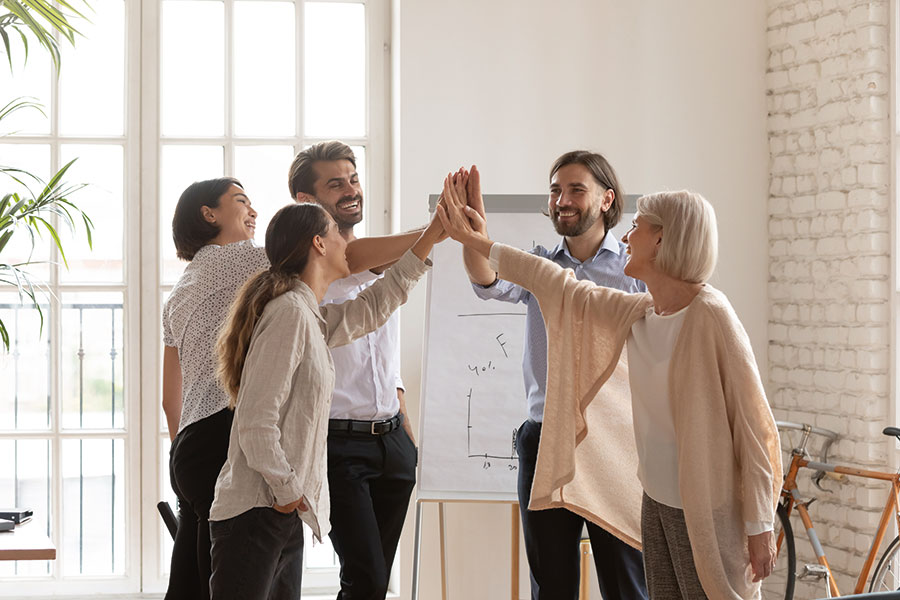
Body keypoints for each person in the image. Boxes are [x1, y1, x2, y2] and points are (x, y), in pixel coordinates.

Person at [438, 180, 782, 599]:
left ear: (661, 240)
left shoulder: (711, 315)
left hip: (700, 507)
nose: (626, 236)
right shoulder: (641, 312)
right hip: (654, 501)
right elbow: (558, 285)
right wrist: (476, 241)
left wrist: (760, 525)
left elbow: (755, 428)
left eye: (637, 226)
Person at [161, 178, 425, 600]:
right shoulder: (245, 263)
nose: (253, 211)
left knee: (195, 585)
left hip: (193, 447)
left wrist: (183, 457)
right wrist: (431, 234)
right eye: (241, 201)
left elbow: (168, 397)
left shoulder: (183, 289)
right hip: (225, 442)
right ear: (208, 214)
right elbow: (350, 258)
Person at [460, 153, 648, 600]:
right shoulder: (538, 266)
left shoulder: (635, 271)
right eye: (555, 190)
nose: (561, 200)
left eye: (575, 190)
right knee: (552, 587)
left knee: (627, 585)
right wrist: (473, 234)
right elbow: (486, 278)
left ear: (607, 199)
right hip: (542, 437)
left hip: (615, 441)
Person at [288, 141, 422, 599]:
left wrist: (401, 412)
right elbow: (353, 259)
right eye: (335, 183)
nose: (350, 190)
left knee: (374, 582)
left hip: (392, 440)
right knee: (364, 578)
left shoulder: (376, 256)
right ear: (306, 200)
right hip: (339, 445)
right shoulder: (310, 265)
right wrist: (437, 229)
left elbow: (382, 345)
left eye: (353, 178)